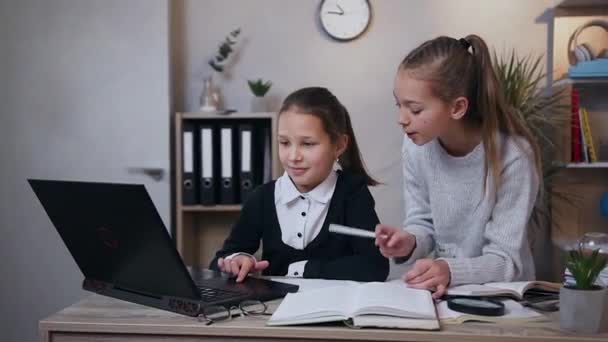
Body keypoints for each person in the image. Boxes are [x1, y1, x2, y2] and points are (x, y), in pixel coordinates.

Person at [375, 35, 541, 299]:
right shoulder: (415, 148)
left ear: (457, 107)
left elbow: (506, 260)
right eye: (399, 105)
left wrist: (450, 270)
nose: (402, 119)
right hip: (447, 294)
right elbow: (423, 223)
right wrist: (410, 242)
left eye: (415, 110)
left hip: (505, 300)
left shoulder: (513, 157)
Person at [210, 86, 388, 282]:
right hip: (272, 310)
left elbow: (374, 266)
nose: (293, 157)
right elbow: (220, 260)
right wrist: (237, 260)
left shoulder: (352, 193)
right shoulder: (263, 197)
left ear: (339, 145)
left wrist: (303, 269)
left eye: (308, 144)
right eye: (284, 143)